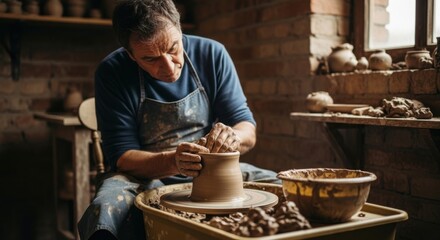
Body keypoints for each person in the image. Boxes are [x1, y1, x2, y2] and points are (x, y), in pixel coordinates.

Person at [78, 0, 280, 239]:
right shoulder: (113, 71)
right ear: (131, 55)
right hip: (141, 176)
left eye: (173, 48)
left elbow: (247, 128)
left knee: (289, 190)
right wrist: (174, 161)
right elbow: (122, 158)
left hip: (211, 172)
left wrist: (232, 137)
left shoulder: (212, 54)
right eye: (150, 59)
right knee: (106, 211)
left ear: (180, 29)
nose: (168, 67)